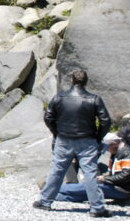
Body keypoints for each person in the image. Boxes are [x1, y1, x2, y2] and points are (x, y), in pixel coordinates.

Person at [33, 70, 112, 217]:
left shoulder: (59, 97)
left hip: (63, 139)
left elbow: (48, 117)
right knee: (90, 173)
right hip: (87, 140)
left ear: (72, 81)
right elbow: (106, 121)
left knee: (57, 171)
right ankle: (97, 208)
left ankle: (45, 201)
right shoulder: (94, 99)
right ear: (86, 81)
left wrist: (56, 132)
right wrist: (97, 137)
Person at [57, 130, 130, 203]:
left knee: (86, 187)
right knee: (85, 194)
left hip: (121, 189)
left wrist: (105, 179)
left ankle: (52, 189)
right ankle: (56, 195)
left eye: (108, 148)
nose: (107, 150)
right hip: (117, 186)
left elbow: (126, 175)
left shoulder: (127, 153)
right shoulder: (117, 152)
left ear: (114, 144)